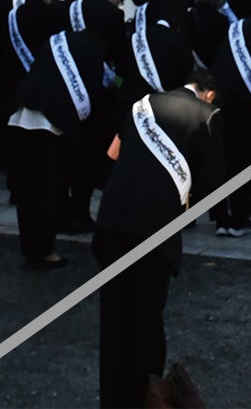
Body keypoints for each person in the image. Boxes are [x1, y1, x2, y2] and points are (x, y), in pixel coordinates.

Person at [94, 77, 221, 409]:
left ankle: (113, 401)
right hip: (154, 227)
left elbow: (112, 153)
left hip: (112, 217)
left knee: (114, 321)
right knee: (146, 321)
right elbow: (212, 181)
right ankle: (146, 399)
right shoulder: (206, 115)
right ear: (209, 94)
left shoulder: (142, 104)